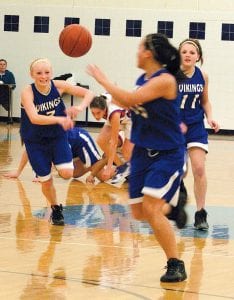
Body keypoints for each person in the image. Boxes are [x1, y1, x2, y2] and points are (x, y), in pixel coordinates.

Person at [87, 33, 188, 283]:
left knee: (151, 210)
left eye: (139, 47)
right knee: (139, 213)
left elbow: (130, 99)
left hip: (167, 153)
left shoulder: (165, 80)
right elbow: (126, 102)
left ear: (149, 53)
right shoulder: (143, 78)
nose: (136, 51)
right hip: (143, 152)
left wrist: (103, 81)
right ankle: (172, 208)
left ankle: (175, 264)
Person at [20, 58, 95, 226]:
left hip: (57, 137)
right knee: (46, 181)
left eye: (47, 72)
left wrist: (79, 107)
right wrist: (60, 120)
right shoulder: (28, 92)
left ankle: (60, 159)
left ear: (51, 73)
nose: (43, 76)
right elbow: (34, 118)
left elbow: (89, 94)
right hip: (35, 141)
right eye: (39, 73)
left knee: (67, 173)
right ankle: (55, 208)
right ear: (32, 75)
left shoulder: (58, 85)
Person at [178, 39, 220, 230]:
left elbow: (205, 101)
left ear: (198, 57)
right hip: (175, 128)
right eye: (184, 51)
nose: (187, 54)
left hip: (195, 127)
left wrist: (210, 117)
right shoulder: (171, 75)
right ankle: (179, 190)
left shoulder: (202, 75)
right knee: (180, 171)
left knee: (199, 169)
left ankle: (200, 213)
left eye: (192, 52)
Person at [4, 127, 116, 184]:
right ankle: (92, 164)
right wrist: (18, 172)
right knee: (75, 174)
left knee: (103, 177)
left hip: (81, 141)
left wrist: (43, 175)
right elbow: (29, 150)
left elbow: (52, 155)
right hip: (71, 147)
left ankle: (114, 161)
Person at [90, 93, 134, 183]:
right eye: (93, 113)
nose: (96, 117)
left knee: (126, 152)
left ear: (105, 109)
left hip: (131, 120)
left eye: (98, 113)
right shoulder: (99, 100)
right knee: (101, 140)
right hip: (121, 117)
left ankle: (141, 173)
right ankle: (122, 167)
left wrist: (109, 168)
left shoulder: (114, 114)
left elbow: (113, 142)